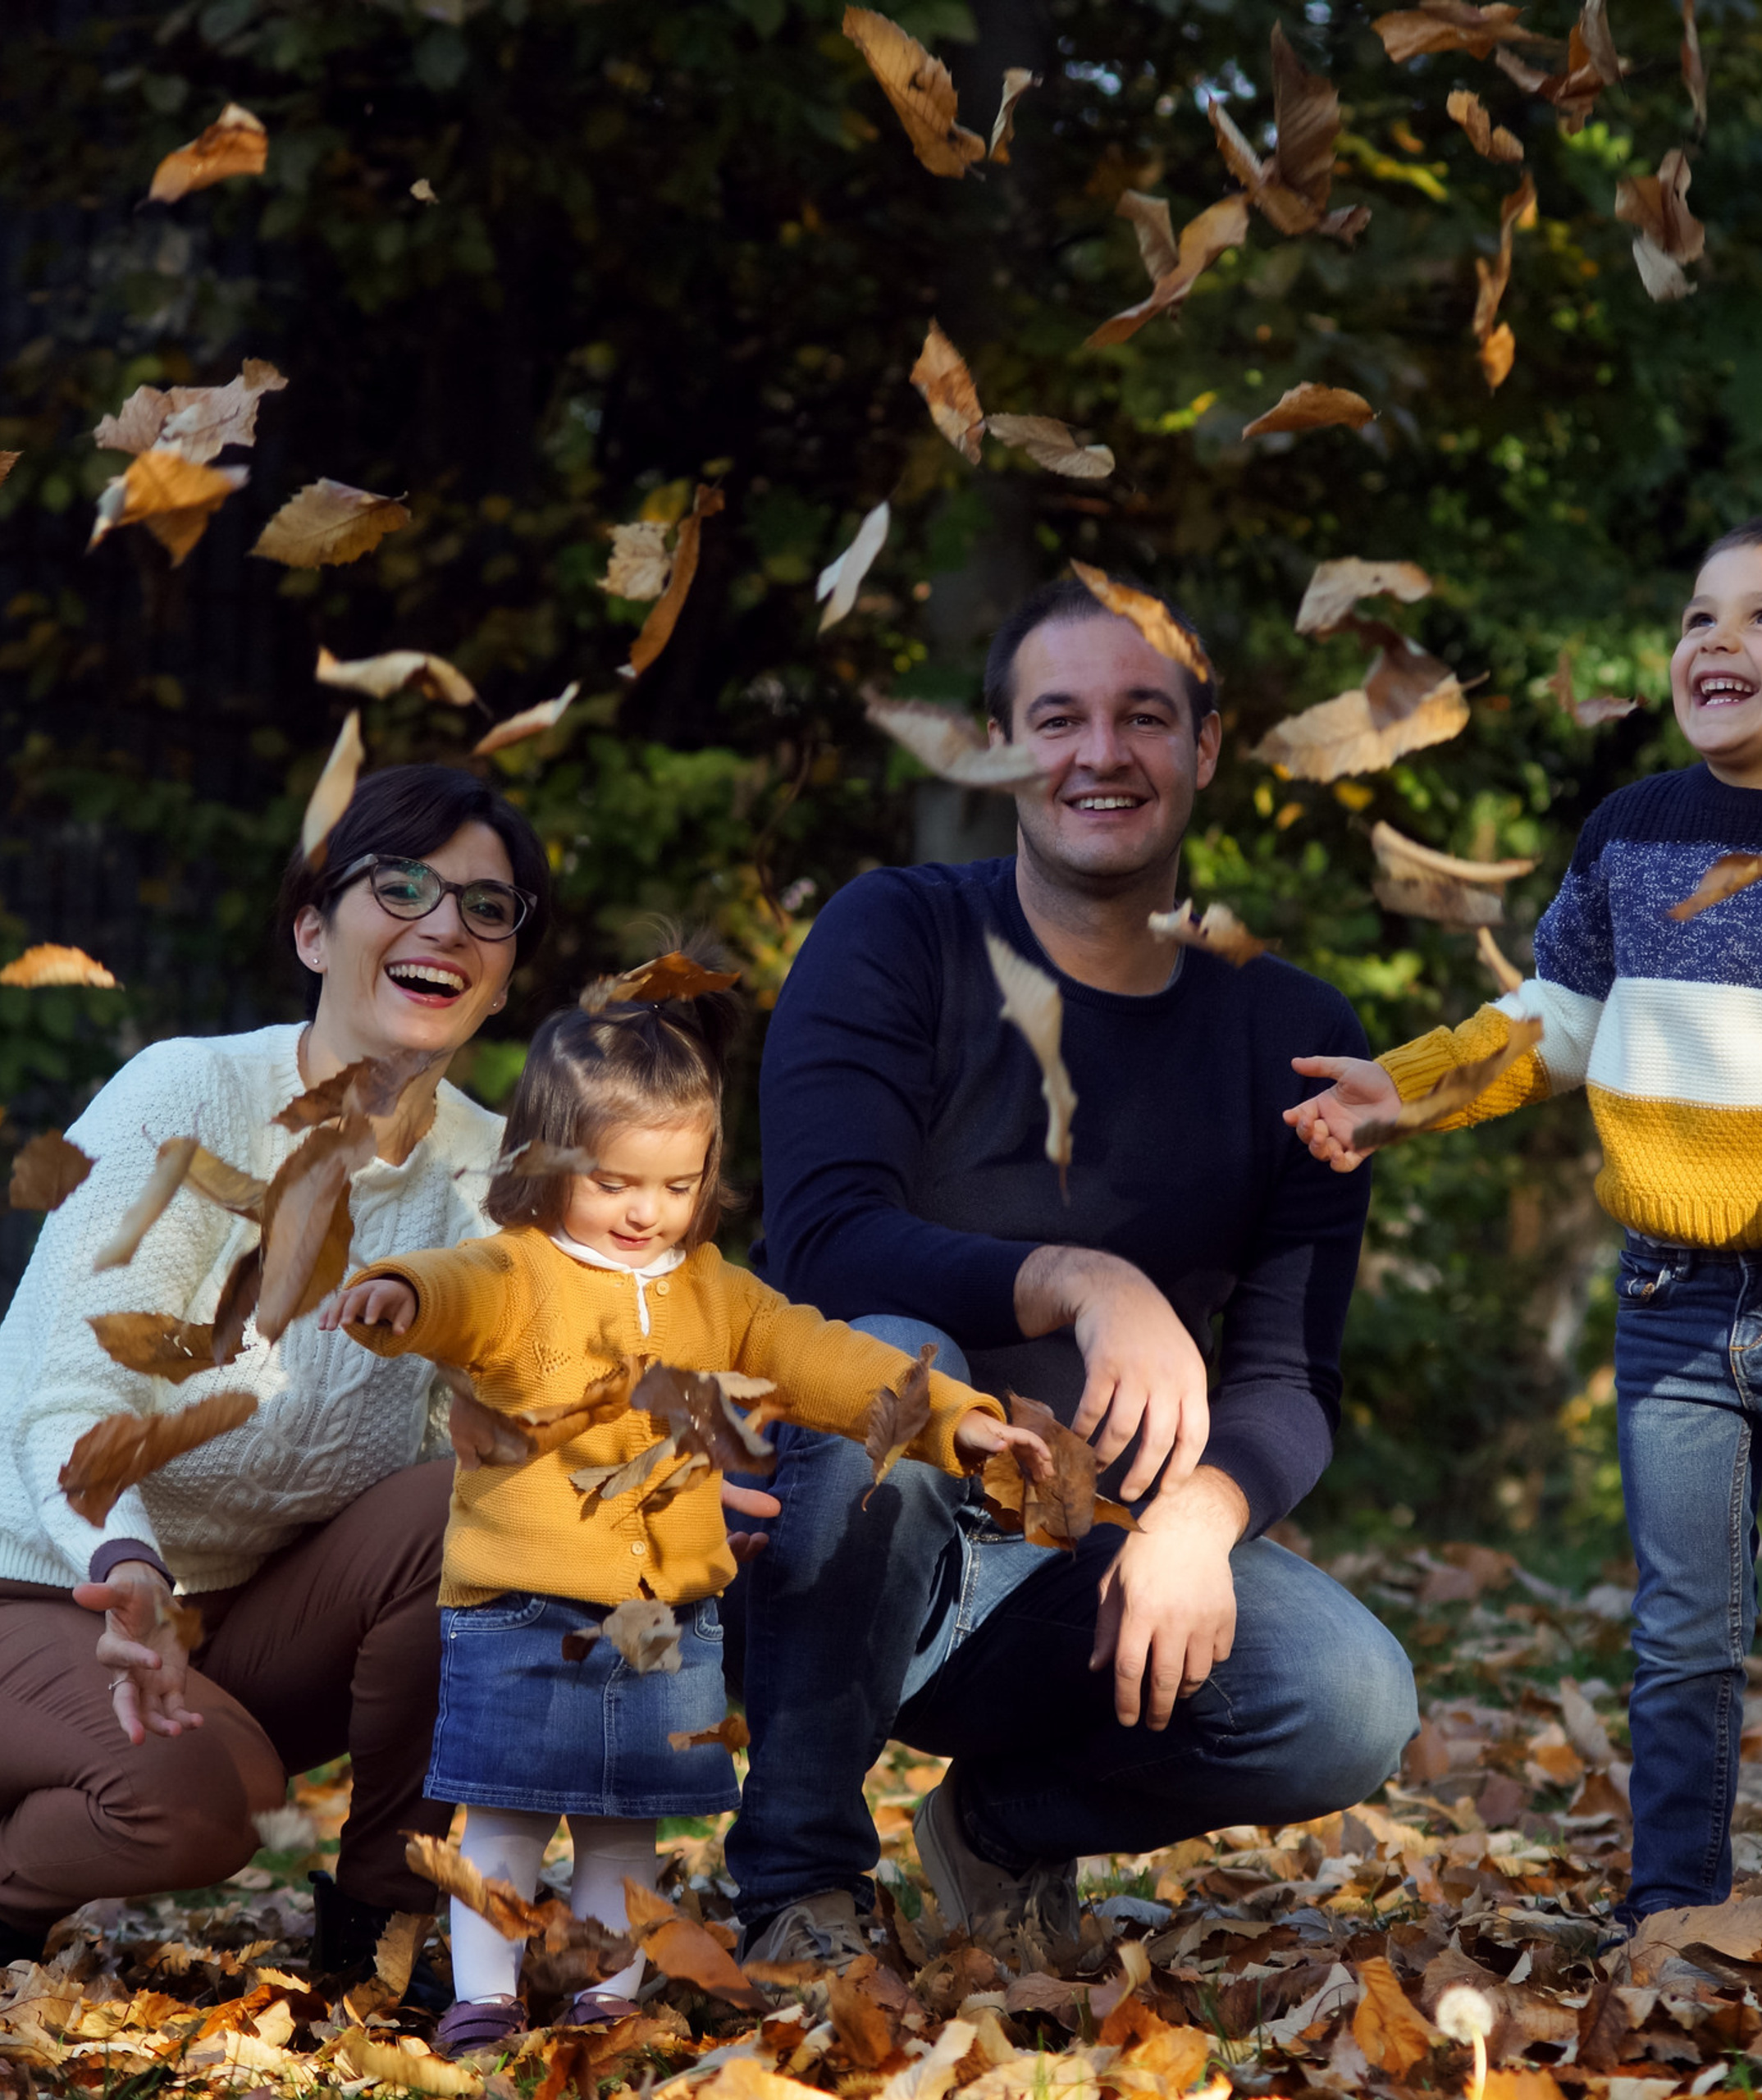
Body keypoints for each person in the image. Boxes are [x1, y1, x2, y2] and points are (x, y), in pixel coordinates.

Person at [1287, 518, 1762, 1936]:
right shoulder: (1631, 832)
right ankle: (1673, 1911)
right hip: (1671, 1298)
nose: (1713, 640)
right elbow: (1554, 1020)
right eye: (1697, 617)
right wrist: (1410, 1085)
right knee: (1682, 1633)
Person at [728, 575, 1419, 1967]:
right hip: (815, 1535)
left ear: (1204, 747)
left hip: (1068, 1561)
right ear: (999, 748)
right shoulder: (895, 935)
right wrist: (1082, 1281)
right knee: (900, 1351)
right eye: (1059, 719)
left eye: (1145, 717)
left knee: (1347, 1698)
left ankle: (1001, 1829)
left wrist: (1202, 1517)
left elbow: (1289, 1380)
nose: (1103, 754)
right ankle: (798, 1883)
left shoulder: (1289, 1031)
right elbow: (822, 1242)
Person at [324, 953, 1050, 2053]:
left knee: (626, 1830)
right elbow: (455, 1289)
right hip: (524, 1612)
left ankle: (607, 1995)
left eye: (676, 1186)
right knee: (508, 1821)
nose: (646, 1211)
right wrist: (401, 1294)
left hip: (665, 1620)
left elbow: (822, 1358)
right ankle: (486, 1998)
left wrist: (954, 1417)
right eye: (616, 1182)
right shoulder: (519, 1272)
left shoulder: (714, 1291)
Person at [0, 768, 563, 1977]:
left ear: (507, 971)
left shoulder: (492, 1177)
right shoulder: (191, 1098)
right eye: (401, 887)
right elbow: (76, 1400)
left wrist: (665, 1482)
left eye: (486, 907)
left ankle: (379, 1936)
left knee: (486, 1504)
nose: (444, 926)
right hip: (47, 1582)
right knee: (199, 1805)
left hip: (241, 1623)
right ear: (314, 931)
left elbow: (517, 1433)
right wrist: (128, 1564)